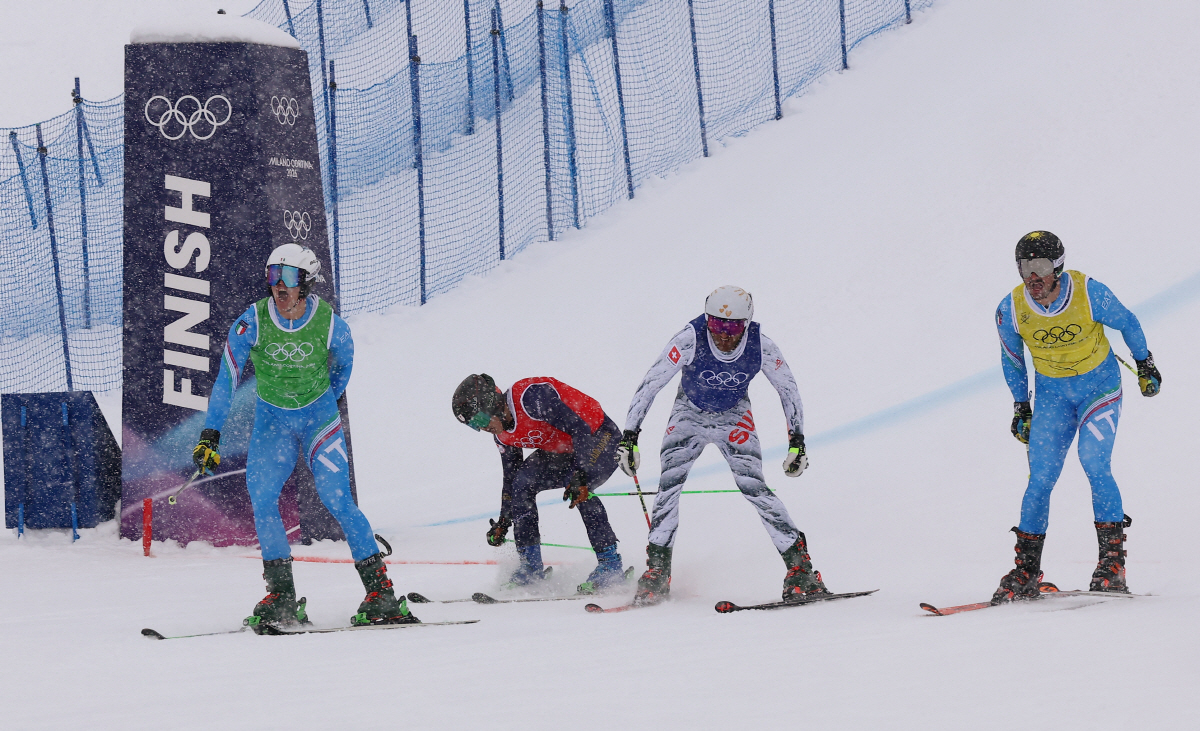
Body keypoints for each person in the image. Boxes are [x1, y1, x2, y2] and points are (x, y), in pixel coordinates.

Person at [192, 243, 417, 631]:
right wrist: (211, 435)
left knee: (337, 499)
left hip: (319, 422)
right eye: (273, 276)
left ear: (306, 284)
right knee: (262, 498)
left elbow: (343, 371)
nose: (279, 286)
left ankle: (381, 593)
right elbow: (227, 377)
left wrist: (319, 401)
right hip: (272, 424)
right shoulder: (252, 322)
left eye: (289, 278)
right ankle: (282, 597)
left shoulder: (332, 325)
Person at [616, 286, 825, 606]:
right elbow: (652, 382)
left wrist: (797, 441)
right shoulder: (689, 339)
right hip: (688, 414)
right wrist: (630, 436)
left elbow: (788, 389)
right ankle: (657, 571)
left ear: (747, 323)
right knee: (668, 486)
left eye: (733, 327)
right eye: (716, 325)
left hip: (734, 417)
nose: (724, 335)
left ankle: (801, 569)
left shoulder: (762, 346)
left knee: (753, 486)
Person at [992, 231, 1161, 601]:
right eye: (1024, 267)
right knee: (1040, 479)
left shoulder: (1088, 292)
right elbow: (1012, 359)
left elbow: (1128, 321)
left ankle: (1111, 565)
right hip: (1054, 399)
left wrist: (1145, 363)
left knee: (1093, 461)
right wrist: (1021, 405)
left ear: (1057, 267)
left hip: (1098, 391)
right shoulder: (1011, 308)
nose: (1031, 276)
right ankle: (1026, 571)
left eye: (1039, 267)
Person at [452, 374, 628, 594]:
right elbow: (510, 478)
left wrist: (580, 475)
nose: (482, 429)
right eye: (473, 426)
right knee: (521, 484)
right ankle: (530, 568)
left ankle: (611, 566)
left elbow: (579, 427)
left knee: (578, 490)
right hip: (565, 450)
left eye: (479, 420)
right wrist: (504, 520)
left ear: (491, 405)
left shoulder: (530, 398)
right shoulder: (502, 436)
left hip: (599, 437)